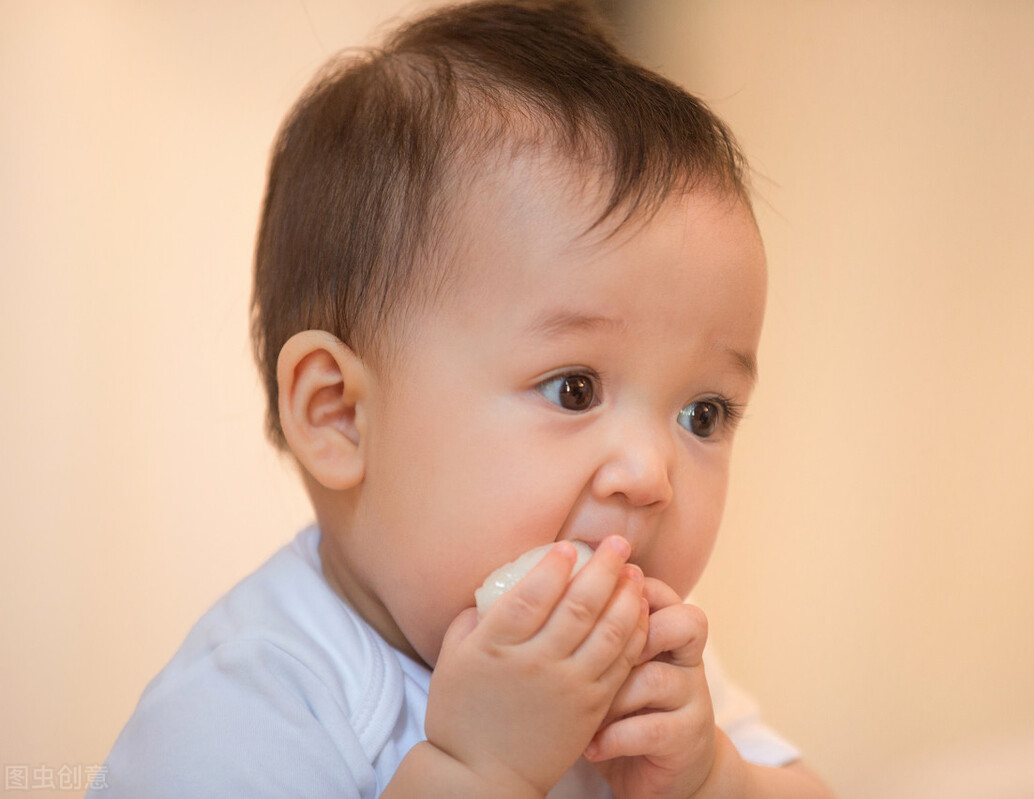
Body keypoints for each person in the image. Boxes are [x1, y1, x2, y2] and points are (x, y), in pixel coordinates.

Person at [94, 1, 833, 796]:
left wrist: (716, 777)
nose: (651, 472)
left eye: (703, 414)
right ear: (339, 413)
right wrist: (483, 771)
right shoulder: (249, 707)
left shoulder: (645, 668)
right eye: (575, 389)